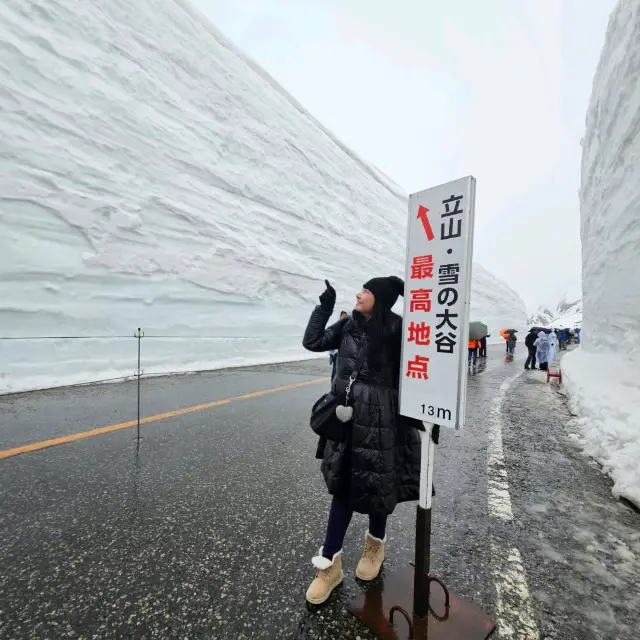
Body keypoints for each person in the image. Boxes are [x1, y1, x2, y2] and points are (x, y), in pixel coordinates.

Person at [302, 277, 422, 605]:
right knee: (342, 487)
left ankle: (375, 547)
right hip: (348, 419)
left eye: (366, 291)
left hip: (384, 421)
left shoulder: (398, 329)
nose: (359, 294)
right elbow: (312, 341)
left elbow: (416, 372)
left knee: (378, 486)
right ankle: (329, 565)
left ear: (379, 299)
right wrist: (325, 307)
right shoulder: (347, 325)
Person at [329, 312, 349, 380]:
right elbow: (332, 342)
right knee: (335, 371)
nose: (344, 317)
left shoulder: (349, 328)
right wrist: (331, 355)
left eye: (345, 316)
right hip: (337, 353)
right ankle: (333, 387)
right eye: (343, 315)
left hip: (346, 354)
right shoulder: (337, 327)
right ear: (340, 317)